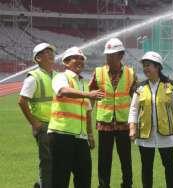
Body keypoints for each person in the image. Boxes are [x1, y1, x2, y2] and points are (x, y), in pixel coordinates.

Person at [48, 46, 104, 188]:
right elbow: (63, 91)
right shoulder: (60, 77)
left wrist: (90, 134)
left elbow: (87, 111)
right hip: (62, 135)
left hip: (81, 138)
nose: (80, 61)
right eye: (75, 58)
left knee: (84, 179)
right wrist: (88, 94)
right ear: (66, 62)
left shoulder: (83, 83)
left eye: (82, 59)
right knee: (60, 180)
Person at [128, 51, 173, 188]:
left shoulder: (171, 85)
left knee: (170, 166)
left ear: (157, 66)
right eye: (144, 66)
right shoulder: (139, 87)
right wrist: (132, 128)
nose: (145, 68)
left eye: (148, 65)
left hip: (166, 135)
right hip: (145, 135)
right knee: (146, 168)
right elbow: (134, 109)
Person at [88, 38, 136, 188]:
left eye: (112, 55)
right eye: (107, 55)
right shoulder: (98, 73)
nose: (108, 58)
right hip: (105, 124)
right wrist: (87, 122)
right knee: (104, 159)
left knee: (126, 159)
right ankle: (103, 185)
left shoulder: (131, 74)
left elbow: (137, 100)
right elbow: (90, 97)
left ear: (120, 55)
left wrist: (136, 123)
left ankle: (127, 185)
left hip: (124, 124)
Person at [18, 42, 56, 188]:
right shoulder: (33, 77)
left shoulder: (57, 76)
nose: (51, 54)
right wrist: (34, 123)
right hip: (44, 125)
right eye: (46, 52)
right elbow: (22, 101)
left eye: (51, 51)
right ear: (38, 58)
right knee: (46, 161)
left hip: (58, 125)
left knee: (57, 160)